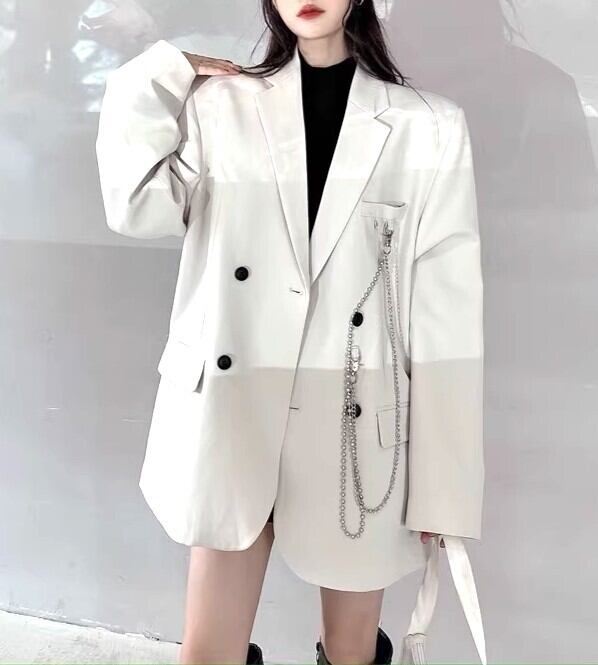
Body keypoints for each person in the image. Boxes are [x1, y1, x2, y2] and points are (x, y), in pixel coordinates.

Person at [95, 1, 485, 663]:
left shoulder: (428, 127)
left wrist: (442, 487)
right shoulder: (220, 108)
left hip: (354, 423)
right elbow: (136, 208)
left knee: (350, 651)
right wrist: (160, 72)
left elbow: (447, 317)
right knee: (207, 653)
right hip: (234, 406)